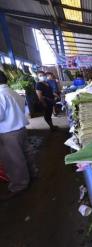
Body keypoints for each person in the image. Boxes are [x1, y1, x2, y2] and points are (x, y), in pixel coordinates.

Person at [0, 70, 38, 200]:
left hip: (8, 132)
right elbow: (22, 107)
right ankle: (32, 175)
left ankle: (19, 185)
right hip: (21, 129)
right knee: (26, 154)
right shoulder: (12, 92)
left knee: (13, 161)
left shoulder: (0, 95)